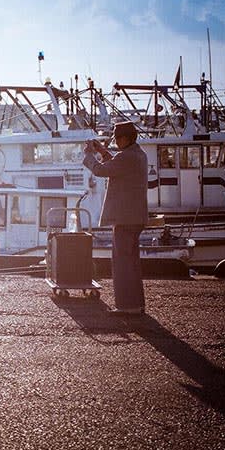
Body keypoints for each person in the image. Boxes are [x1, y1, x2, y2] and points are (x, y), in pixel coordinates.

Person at [83, 121, 148, 314]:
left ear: (126, 138)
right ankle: (136, 304)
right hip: (135, 216)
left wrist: (89, 155)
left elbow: (102, 170)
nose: (116, 142)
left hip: (124, 218)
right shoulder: (138, 154)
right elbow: (116, 165)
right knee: (132, 262)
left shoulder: (126, 157)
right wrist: (102, 152)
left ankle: (127, 306)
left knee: (122, 263)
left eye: (117, 138)